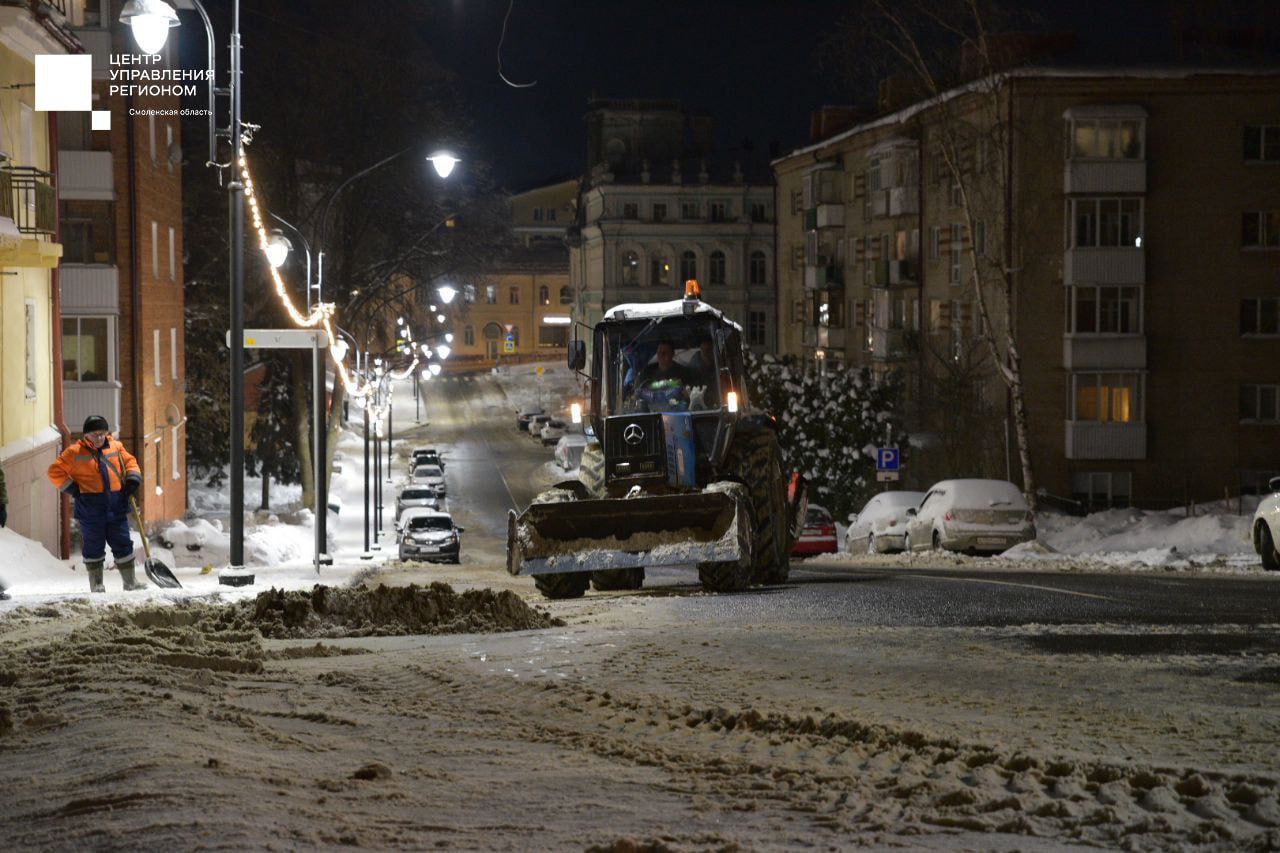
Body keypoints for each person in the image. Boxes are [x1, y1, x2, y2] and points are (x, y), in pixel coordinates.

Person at [47, 416, 145, 593]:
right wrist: (73, 489)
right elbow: (54, 472)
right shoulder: (74, 452)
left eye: (102, 433)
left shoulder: (116, 447)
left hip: (116, 505)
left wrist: (132, 480)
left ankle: (130, 582)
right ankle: (97, 584)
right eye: (94, 434)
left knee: (123, 543)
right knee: (93, 546)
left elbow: (131, 462)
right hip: (90, 509)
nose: (99, 438)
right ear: (86, 435)